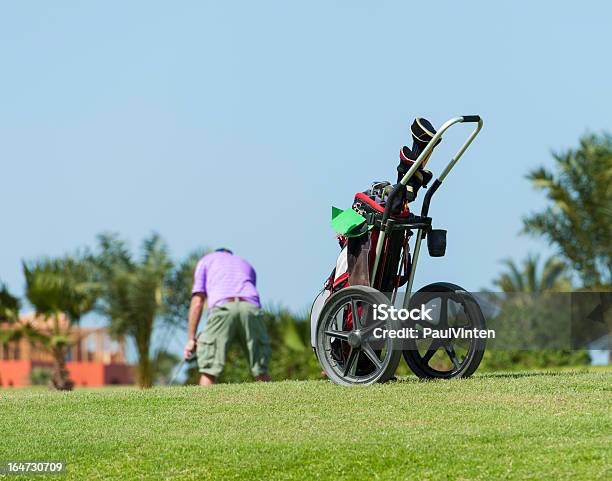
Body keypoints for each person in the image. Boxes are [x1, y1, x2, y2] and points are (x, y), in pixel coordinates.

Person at [183, 248, 271, 385]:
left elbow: (197, 302)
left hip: (223, 307)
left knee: (209, 371)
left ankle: (204, 406)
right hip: (250, 308)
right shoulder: (246, 264)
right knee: (261, 370)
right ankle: (270, 404)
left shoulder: (206, 261)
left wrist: (190, 339)